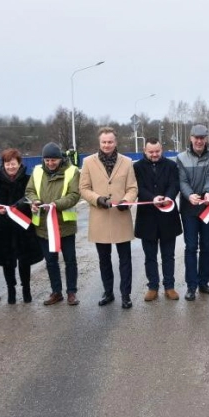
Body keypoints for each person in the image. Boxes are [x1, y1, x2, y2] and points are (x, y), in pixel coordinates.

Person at [80, 127, 138, 309]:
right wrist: (97, 199)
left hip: (121, 216)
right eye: (104, 142)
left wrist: (126, 201)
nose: (107, 145)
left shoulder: (127, 162)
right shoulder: (88, 162)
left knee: (125, 259)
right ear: (99, 143)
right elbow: (83, 188)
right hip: (100, 216)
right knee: (104, 259)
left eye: (110, 142)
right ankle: (108, 292)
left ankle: (126, 295)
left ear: (116, 142)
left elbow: (133, 188)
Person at [26, 142, 81, 305]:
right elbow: (29, 190)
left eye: (53, 160)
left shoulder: (72, 171)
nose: (50, 163)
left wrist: (57, 204)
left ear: (60, 159)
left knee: (70, 260)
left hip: (65, 225)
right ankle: (56, 292)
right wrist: (35, 200)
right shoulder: (36, 171)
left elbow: (74, 194)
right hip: (43, 226)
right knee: (50, 261)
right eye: (47, 160)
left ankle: (72, 292)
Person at [0, 148, 43, 304]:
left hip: (22, 225)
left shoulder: (27, 178)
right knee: (7, 261)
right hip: (2, 227)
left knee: (24, 260)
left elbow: (31, 196)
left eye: (13, 164)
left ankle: (26, 289)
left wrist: (16, 206)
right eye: (7, 164)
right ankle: (11, 290)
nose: (10, 167)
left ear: (19, 164)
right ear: (3, 164)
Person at [176, 124, 209, 301]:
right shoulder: (181, 158)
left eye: (202, 138)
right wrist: (189, 196)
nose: (199, 141)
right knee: (191, 247)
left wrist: (207, 193)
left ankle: (204, 283)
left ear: (206, 139)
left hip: (208, 207)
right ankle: (191, 286)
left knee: (206, 246)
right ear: (191, 138)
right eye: (196, 137)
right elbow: (182, 181)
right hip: (189, 208)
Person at [134, 138, 183, 301]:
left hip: (167, 216)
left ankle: (169, 286)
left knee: (168, 255)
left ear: (161, 150)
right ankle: (152, 287)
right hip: (147, 217)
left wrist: (168, 197)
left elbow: (175, 184)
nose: (154, 154)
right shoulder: (137, 167)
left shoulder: (171, 165)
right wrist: (152, 198)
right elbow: (138, 188)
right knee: (150, 256)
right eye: (151, 152)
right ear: (145, 150)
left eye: (157, 151)